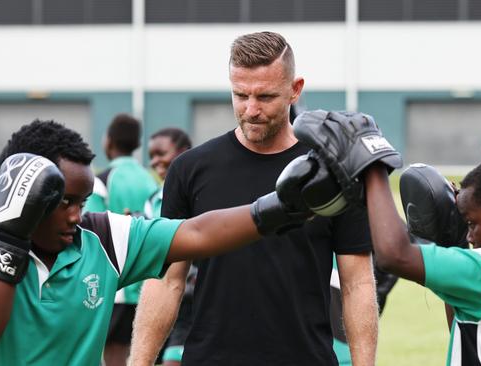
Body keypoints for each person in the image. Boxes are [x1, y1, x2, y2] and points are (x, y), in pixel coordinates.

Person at [0, 119, 331, 366]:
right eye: (63, 202)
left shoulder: (103, 237)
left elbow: (196, 232)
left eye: (81, 202)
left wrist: (284, 207)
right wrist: (10, 237)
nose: (76, 215)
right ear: (23, 193)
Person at [131, 31, 378, 366]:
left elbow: (357, 284)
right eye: (240, 95)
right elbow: (166, 283)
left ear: (295, 89)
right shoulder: (189, 170)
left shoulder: (333, 173)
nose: (251, 110)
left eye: (265, 96)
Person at [294, 111, 481, 365]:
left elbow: (394, 255)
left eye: (472, 223)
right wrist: (452, 243)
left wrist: (372, 167)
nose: (469, 234)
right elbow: (466, 327)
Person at [83, 114, 159, 366]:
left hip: (114, 284)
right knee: (133, 351)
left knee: (110, 353)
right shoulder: (148, 179)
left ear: (109, 141)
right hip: (144, 281)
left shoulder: (102, 180)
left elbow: (89, 230)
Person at [142, 127, 195, 366]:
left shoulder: (198, 193)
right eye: (151, 156)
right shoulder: (153, 198)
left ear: (183, 153)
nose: (156, 161)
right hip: (158, 297)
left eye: (161, 153)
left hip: (190, 295)